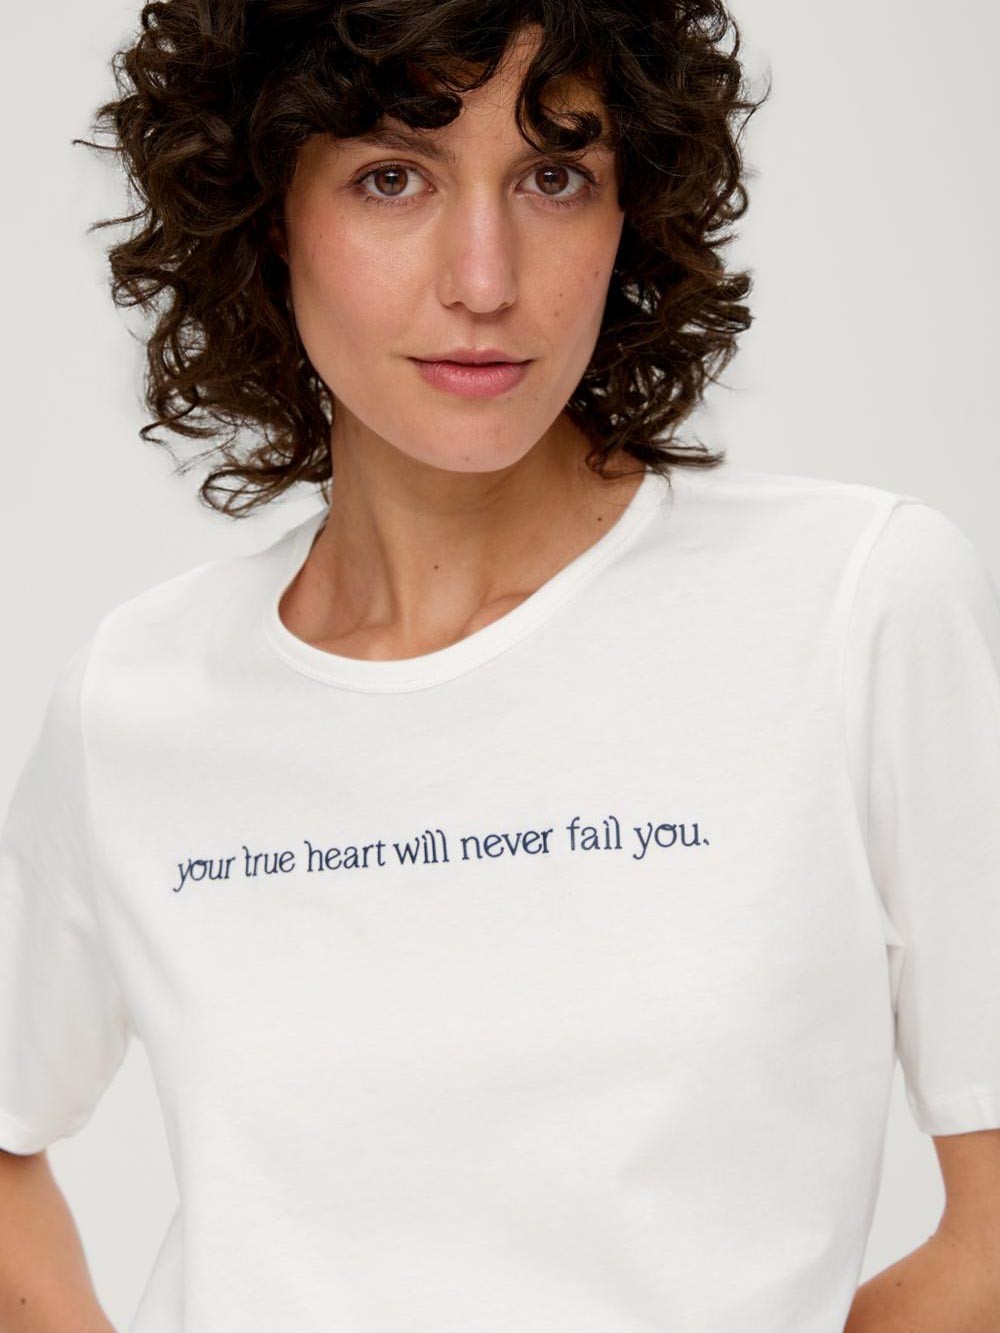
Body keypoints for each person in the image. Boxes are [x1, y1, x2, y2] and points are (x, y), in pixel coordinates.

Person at [1, 2, 999, 1331]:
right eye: (391, 178)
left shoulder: (856, 602)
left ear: (631, 209)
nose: (484, 279)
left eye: (555, 176)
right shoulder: (138, 694)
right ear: (265, 212)